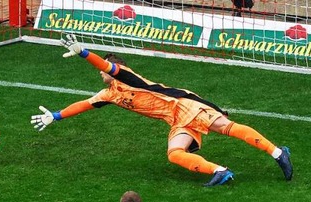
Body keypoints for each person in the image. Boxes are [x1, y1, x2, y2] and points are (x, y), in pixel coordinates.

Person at [31, 34, 294, 187]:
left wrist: (83, 53)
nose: (102, 72)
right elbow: (84, 105)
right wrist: (55, 115)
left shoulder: (126, 76)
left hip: (184, 105)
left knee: (227, 127)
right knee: (174, 154)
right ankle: (219, 171)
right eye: (102, 70)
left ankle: (278, 153)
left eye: (106, 68)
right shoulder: (109, 94)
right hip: (176, 119)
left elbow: (107, 66)